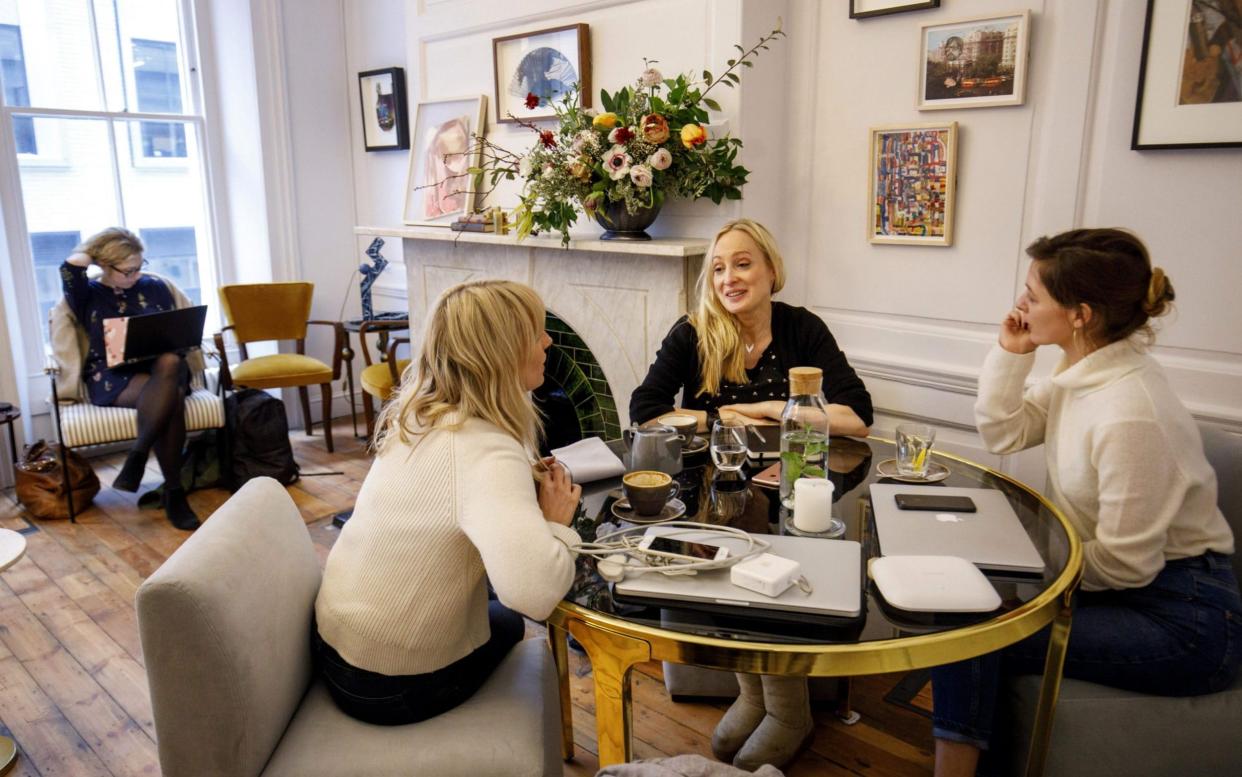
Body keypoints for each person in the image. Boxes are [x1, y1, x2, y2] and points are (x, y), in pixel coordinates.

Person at [932, 228, 1242, 777]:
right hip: (1126, 588)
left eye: (1033, 294)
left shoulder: (1130, 411)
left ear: (1080, 314)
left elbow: (1127, 564)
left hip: (1183, 617)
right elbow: (1005, 434)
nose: (1020, 304)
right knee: (976, 611)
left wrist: (1030, 577)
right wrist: (1011, 353)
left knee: (973, 633)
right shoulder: (1086, 373)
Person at [630, 219, 874, 771]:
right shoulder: (693, 331)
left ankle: (790, 712)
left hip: (796, 485)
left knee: (781, 570)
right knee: (735, 573)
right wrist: (718, 415)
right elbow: (644, 409)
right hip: (719, 490)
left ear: (770, 270)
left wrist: (766, 410)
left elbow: (856, 417)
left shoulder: (800, 328)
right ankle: (756, 695)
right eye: (718, 268)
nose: (729, 278)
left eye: (742, 264)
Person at [312, 279, 582, 725]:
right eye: (538, 333)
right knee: (510, 622)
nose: (548, 341)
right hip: (388, 685)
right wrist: (556, 522)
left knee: (493, 612)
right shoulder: (488, 451)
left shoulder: (416, 417)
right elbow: (534, 596)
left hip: (337, 649)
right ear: (504, 350)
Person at [61, 227, 200, 530]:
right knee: (172, 398)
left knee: (170, 362)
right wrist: (95, 251)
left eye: (140, 267)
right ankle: (174, 493)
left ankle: (139, 452)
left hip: (162, 367)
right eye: (127, 270)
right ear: (105, 266)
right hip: (114, 376)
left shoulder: (156, 287)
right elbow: (71, 268)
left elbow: (172, 331)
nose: (136, 274)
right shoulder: (87, 295)